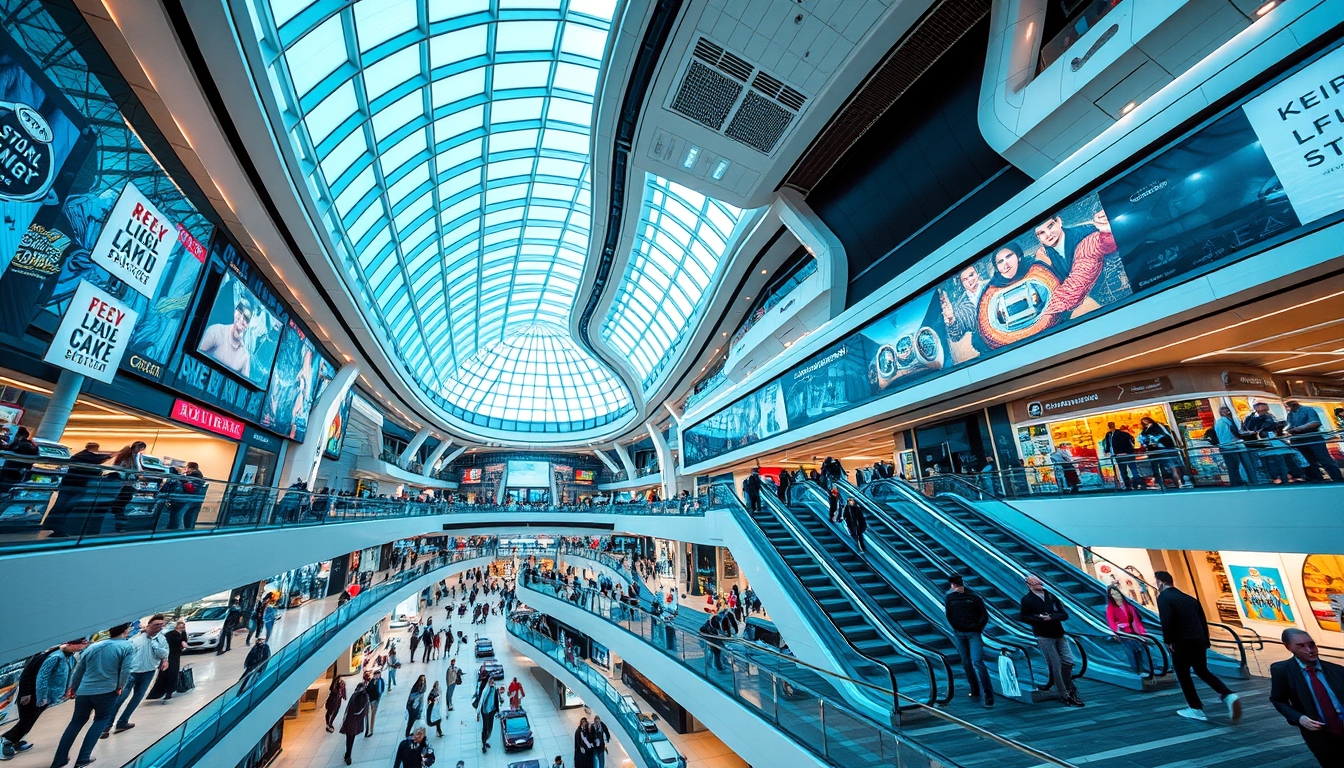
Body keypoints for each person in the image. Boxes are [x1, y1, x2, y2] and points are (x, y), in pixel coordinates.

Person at [1154, 570, 1240, 722]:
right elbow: (1202, 620)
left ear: (1160, 582)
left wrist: (1168, 641)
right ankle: (1228, 694)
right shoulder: (1190, 599)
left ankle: (1195, 708)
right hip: (1198, 640)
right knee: (1202, 670)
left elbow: (1167, 621)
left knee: (1183, 675)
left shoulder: (1164, 598)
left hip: (1181, 642)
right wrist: (1206, 641)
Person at [50, 623, 135, 768]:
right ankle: (83, 758)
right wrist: (120, 686)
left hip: (84, 691)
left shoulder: (93, 647)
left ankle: (59, 759)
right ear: (125, 630)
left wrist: (74, 688)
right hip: (107, 691)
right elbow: (126, 670)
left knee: (75, 722)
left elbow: (79, 670)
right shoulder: (126, 647)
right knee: (100, 720)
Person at [0, 638, 87, 759]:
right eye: (82, 643)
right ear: (71, 644)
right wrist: (41, 698)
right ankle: (6, 740)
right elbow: (41, 679)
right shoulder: (55, 656)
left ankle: (14, 741)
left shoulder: (67, 656)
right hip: (33, 697)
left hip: (41, 697)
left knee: (29, 721)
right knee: (26, 721)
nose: (85, 645)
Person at [1270, 628, 1344, 766]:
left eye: (1312, 644)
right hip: (1320, 735)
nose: (1309, 650)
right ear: (1288, 646)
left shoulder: (1337, 670)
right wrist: (1299, 718)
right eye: (1301, 646)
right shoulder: (1282, 671)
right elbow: (1278, 700)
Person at [1019, 575, 1082, 707]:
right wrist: (1040, 619)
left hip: (1058, 633)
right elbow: (1024, 617)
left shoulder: (1051, 596)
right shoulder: (1027, 600)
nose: (1039, 584)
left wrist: (1052, 617)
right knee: (1056, 664)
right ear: (1029, 584)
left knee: (1068, 661)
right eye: (1035, 582)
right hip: (1043, 635)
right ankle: (1064, 693)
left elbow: (1064, 614)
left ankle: (1067, 685)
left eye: (1039, 581)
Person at [105, 613, 169, 736]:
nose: (159, 627)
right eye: (156, 625)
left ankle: (123, 721)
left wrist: (156, 645)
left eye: (161, 625)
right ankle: (107, 724)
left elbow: (164, 653)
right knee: (120, 698)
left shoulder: (161, 639)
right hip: (131, 672)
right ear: (149, 625)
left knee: (137, 697)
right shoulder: (135, 638)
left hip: (148, 671)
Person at [944, 574, 993, 707]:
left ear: (952, 585)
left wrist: (974, 627)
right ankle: (976, 690)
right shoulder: (959, 597)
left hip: (970, 633)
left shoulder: (967, 597)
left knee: (975, 661)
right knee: (969, 662)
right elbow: (983, 615)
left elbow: (949, 616)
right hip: (964, 633)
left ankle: (986, 693)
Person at [44, 443, 110, 537]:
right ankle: (57, 528)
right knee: (67, 507)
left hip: (68, 484)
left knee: (59, 506)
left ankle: (52, 526)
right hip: (77, 485)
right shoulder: (86, 456)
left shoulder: (79, 455)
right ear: (94, 448)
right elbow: (95, 462)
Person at [199, 295, 256, 378]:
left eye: (246, 318)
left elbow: (243, 387)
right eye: (240, 313)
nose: (242, 320)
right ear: (235, 313)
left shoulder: (244, 356)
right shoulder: (216, 332)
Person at [1285, 400, 1343, 482]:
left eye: (1287, 407)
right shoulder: (1290, 415)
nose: (1286, 409)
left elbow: (1316, 422)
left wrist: (1299, 428)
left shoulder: (1308, 410)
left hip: (1312, 438)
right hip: (1298, 440)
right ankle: (1316, 478)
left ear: (1293, 405)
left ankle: (1337, 479)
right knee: (1308, 462)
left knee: (1324, 459)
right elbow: (1290, 426)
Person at [1105, 584, 1150, 676]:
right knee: (1131, 652)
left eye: (1116, 592)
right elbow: (1111, 622)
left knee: (1141, 650)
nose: (1115, 595)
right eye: (1112, 594)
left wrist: (1142, 632)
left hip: (1134, 631)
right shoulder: (1111, 607)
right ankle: (1136, 671)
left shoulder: (1128, 604)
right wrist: (1116, 631)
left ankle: (1145, 669)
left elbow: (1135, 619)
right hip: (1123, 633)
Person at [1139, 417, 1188, 488]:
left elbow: (1164, 435)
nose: (1145, 422)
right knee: (1160, 467)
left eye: (1146, 420)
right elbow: (1143, 440)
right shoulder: (1145, 430)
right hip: (1154, 451)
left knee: (1171, 466)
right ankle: (1165, 483)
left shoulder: (1157, 426)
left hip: (1163, 449)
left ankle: (1178, 482)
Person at [146, 619, 188, 702]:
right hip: (169, 656)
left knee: (172, 673)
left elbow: (184, 642)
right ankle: (167, 691)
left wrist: (182, 645)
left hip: (175, 656)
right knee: (168, 673)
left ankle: (170, 691)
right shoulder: (171, 634)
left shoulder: (182, 633)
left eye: (183, 625)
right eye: (180, 624)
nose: (182, 626)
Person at [1212, 406, 1252, 486]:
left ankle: (1236, 481)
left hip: (1224, 446)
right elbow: (1235, 433)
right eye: (1226, 411)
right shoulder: (1227, 421)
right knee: (1234, 465)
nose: (1228, 412)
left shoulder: (1219, 422)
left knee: (1232, 466)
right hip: (1230, 445)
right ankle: (1237, 481)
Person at [0, 426, 38, 497]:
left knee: (7, 491)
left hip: (14, 474)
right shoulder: (20, 444)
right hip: (11, 472)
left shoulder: (25, 446)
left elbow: (17, 451)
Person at [1100, 422, 1139, 490]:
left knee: (1130, 469)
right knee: (1125, 469)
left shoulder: (1122, 434)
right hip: (1119, 454)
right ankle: (1129, 484)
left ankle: (1135, 483)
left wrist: (1125, 451)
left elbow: (1128, 443)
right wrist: (1107, 450)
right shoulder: (1109, 435)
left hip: (1123, 454)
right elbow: (1108, 443)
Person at [339, 681, 368, 765]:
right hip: (355, 722)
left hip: (349, 720)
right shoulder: (363, 696)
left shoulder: (355, 695)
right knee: (351, 739)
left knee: (349, 739)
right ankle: (348, 755)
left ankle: (347, 754)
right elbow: (361, 710)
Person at [477, 683, 500, 752]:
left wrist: (498, 710)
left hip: (492, 711)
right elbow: (481, 701)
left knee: (490, 728)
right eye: (491, 682)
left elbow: (497, 700)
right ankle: (483, 744)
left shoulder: (495, 690)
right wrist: (478, 713)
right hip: (485, 711)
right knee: (485, 728)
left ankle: (485, 740)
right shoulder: (485, 690)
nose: (492, 683)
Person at [365, 670, 385, 737]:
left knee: (373, 715)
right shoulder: (372, 682)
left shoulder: (381, 680)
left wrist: (380, 695)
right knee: (371, 715)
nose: (378, 676)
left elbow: (382, 688)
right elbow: (368, 690)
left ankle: (371, 730)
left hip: (377, 699)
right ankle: (370, 730)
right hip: (372, 699)